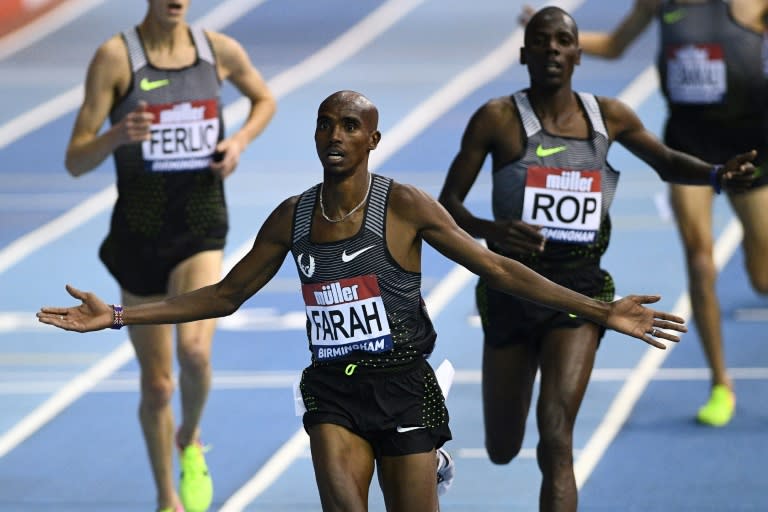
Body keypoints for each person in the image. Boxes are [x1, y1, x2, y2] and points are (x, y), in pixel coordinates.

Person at [42, 90, 686, 512]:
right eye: (326, 123)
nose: (335, 133)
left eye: (351, 125)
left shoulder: (402, 205)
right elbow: (226, 294)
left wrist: (601, 311)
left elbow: (495, 266)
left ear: (372, 141)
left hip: (405, 385)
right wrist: (119, 316)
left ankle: (429, 462)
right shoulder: (293, 217)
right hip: (334, 391)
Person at [438, 7, 756, 512]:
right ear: (524, 53)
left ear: (579, 53)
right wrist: (493, 230)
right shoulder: (496, 118)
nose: (552, 50)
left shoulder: (608, 116)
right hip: (512, 291)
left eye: (563, 41)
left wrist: (717, 176)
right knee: (501, 447)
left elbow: (667, 160)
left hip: (582, 292)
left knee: (557, 437)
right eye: (541, 42)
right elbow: (447, 204)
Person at [63, 0, 276, 510]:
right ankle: (167, 499)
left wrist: (241, 140)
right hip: (139, 233)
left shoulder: (217, 51)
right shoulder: (115, 59)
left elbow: (264, 98)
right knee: (157, 386)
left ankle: (191, 434)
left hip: (200, 224)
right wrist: (118, 134)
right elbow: (75, 159)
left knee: (196, 353)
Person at [525, 0, 768, 428]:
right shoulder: (659, 3)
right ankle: (720, 384)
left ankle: (754, 244)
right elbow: (617, 44)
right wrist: (555, 45)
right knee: (699, 260)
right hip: (687, 141)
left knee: (763, 276)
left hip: (748, 144)